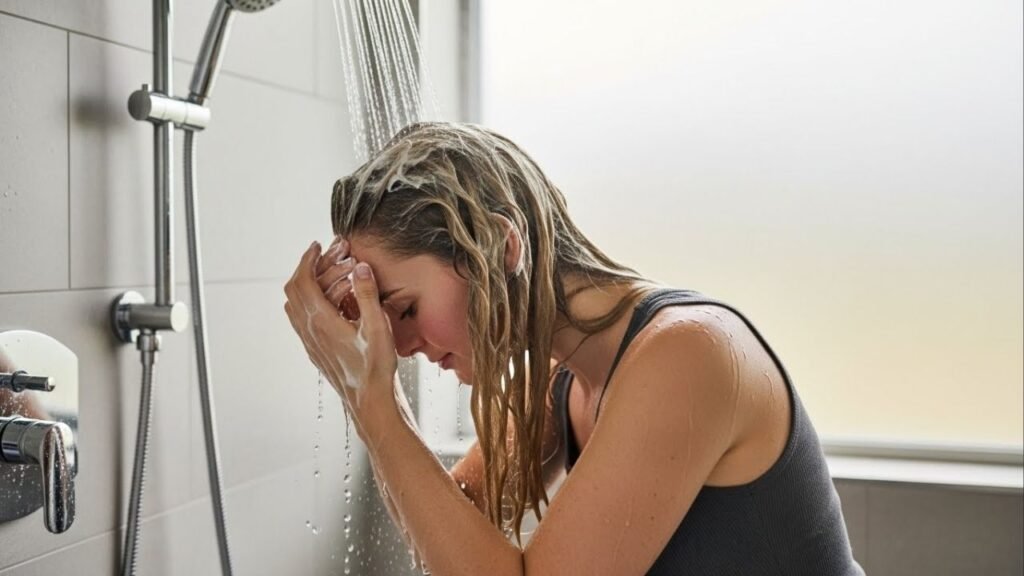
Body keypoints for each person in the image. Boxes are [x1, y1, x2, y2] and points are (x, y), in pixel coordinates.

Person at [283, 122, 864, 575]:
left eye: (404, 309)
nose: (400, 345)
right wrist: (359, 377)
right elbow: (447, 531)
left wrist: (374, 403)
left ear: (499, 247)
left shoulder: (685, 356)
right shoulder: (562, 380)